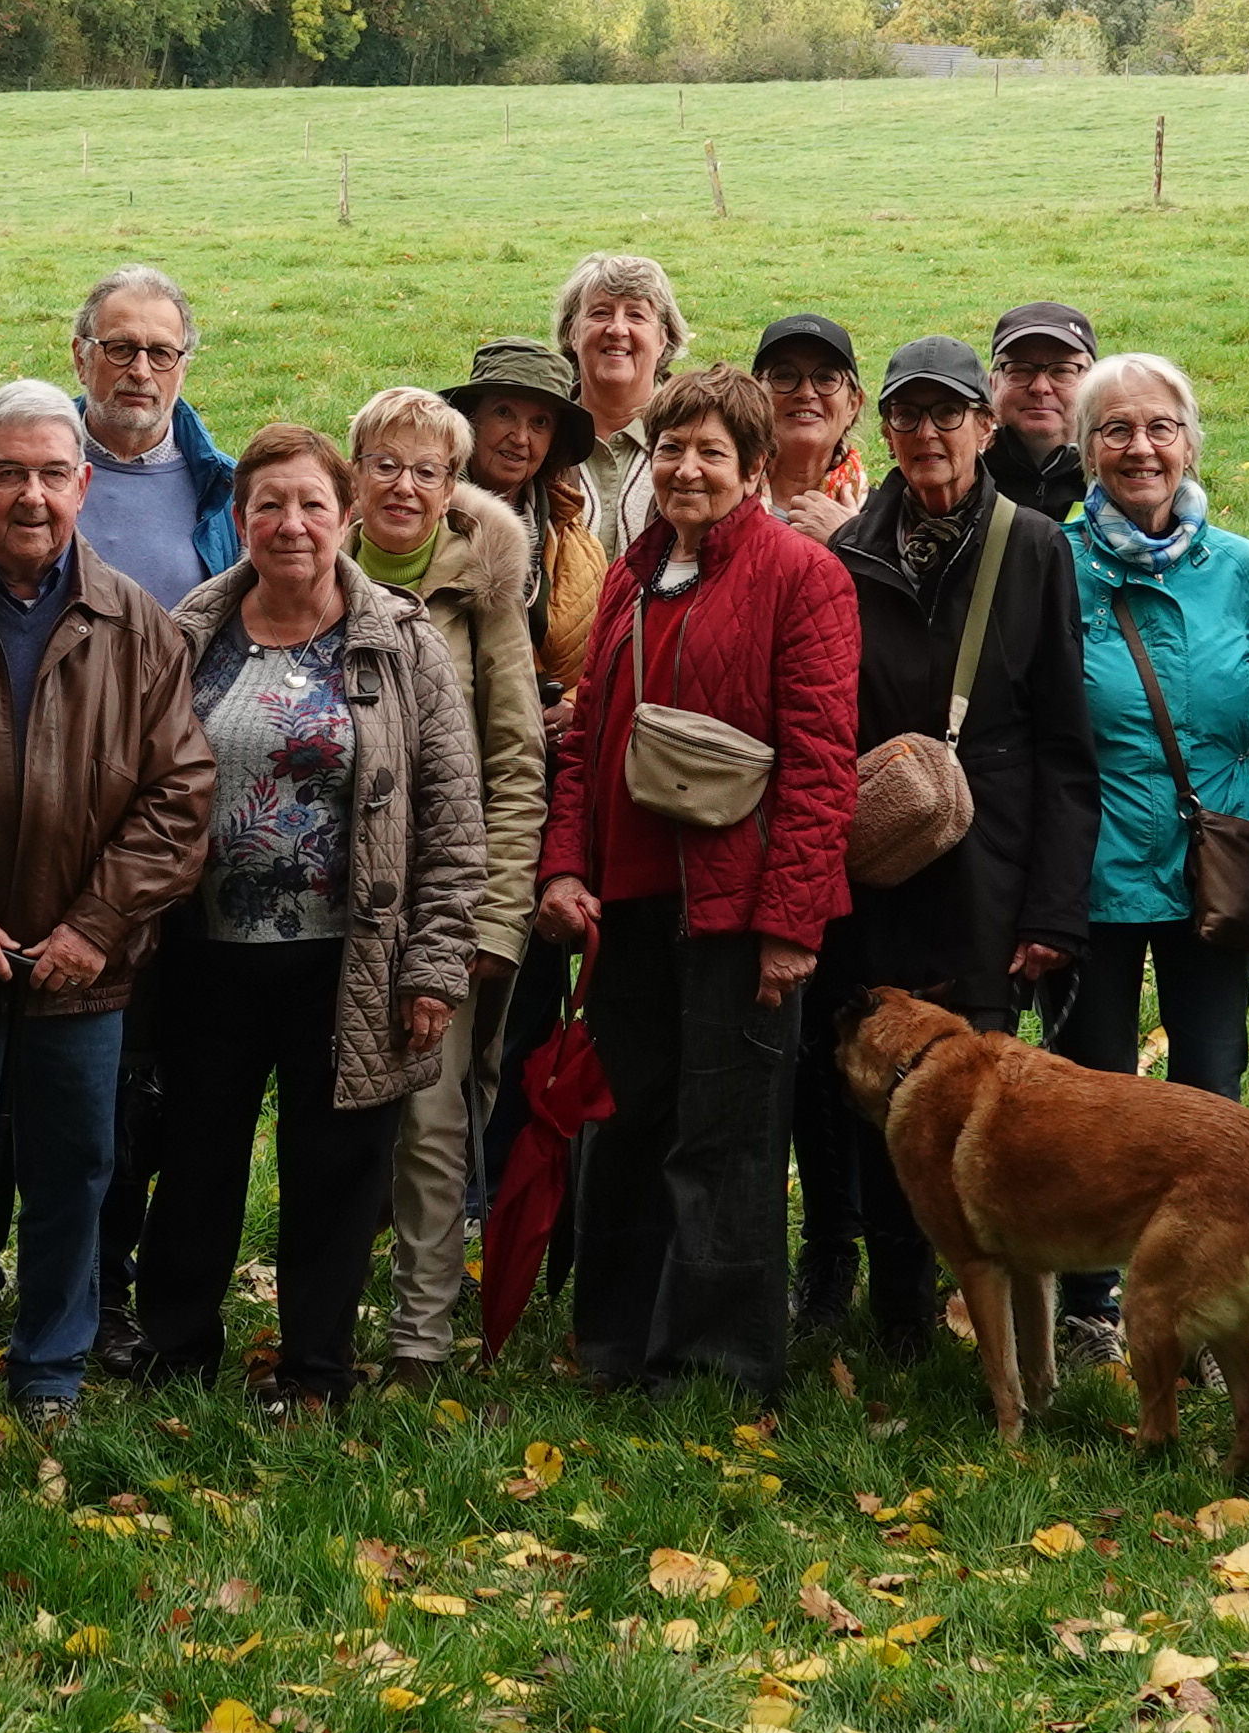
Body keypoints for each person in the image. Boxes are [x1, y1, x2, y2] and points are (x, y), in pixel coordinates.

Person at [0, 384, 212, 1428]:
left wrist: (95, 930)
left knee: (76, 1176)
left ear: (86, 485)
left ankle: (51, 1373)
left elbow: (180, 795)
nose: (32, 495)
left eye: (53, 474)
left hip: (87, 967)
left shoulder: (141, 628)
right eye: (8, 473)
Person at [141, 425, 484, 1413]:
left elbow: (453, 817)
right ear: (239, 519)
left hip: (352, 958)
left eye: (311, 507)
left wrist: (434, 964)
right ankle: (175, 1358)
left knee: (335, 1177)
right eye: (268, 507)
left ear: (345, 519)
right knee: (195, 1163)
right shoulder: (189, 636)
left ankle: (315, 1375)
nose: (291, 525)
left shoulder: (401, 643)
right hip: (208, 955)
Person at [536, 369, 858, 1399]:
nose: (686, 468)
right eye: (673, 448)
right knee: (626, 1128)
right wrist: (566, 864)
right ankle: (616, 1347)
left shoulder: (802, 577)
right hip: (628, 906)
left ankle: (718, 1365)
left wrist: (792, 924)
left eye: (712, 452)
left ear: (756, 469)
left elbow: (819, 762)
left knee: (726, 1139)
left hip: (739, 910)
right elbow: (588, 733)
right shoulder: (632, 577)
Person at [797, 338, 1097, 1352]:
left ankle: (984, 1313)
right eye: (909, 416)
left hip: (988, 869)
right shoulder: (846, 554)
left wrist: (1053, 908)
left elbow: (1067, 744)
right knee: (877, 1097)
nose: (930, 434)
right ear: (884, 431)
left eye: (950, 414)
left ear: (984, 424)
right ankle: (896, 1315)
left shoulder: (1037, 549)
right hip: (876, 860)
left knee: (973, 1096)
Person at [344, 388, 546, 1373]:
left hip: (443, 902)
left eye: (427, 470)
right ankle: (324, 1313)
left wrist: (496, 918)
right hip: (332, 904)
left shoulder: (482, 591)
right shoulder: (312, 573)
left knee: (429, 1119)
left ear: (451, 487)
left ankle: (421, 1333)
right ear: (355, 473)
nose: (405, 486)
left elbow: (516, 758)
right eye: (386, 463)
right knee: (337, 1119)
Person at [1064, 351, 1249, 1115]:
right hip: (1090, 872)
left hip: (1215, 867)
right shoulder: (1054, 562)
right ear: (1086, 448)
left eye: (1161, 426)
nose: (1141, 448)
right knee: (1095, 1102)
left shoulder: (1240, 568)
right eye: (1115, 429)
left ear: (1190, 442)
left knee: (1212, 1093)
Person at [0, 266, 235, 611]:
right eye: (121, 349)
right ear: (81, 358)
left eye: (161, 354)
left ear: (182, 371)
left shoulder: (223, 487)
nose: (141, 371)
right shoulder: (11, 469)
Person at [447, 337, 608, 703]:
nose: (520, 438)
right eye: (504, 413)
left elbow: (598, 666)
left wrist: (570, 705)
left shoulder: (577, 544)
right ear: (470, 421)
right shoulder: (425, 522)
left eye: (539, 423)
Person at [553, 253, 685, 562]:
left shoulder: (694, 435)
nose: (617, 329)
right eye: (600, 313)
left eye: (636, 316)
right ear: (573, 332)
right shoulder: (543, 435)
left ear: (663, 339)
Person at [751, 316, 869, 536]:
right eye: (784, 375)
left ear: (853, 405)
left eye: (826, 378)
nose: (806, 392)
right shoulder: (719, 501)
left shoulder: (885, 521)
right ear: (754, 397)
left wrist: (847, 541)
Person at [982, 300, 1096, 522]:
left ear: (1093, 386)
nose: (1040, 387)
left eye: (1062, 371)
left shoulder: (1117, 477)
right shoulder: (965, 479)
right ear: (991, 385)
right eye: (1020, 370)